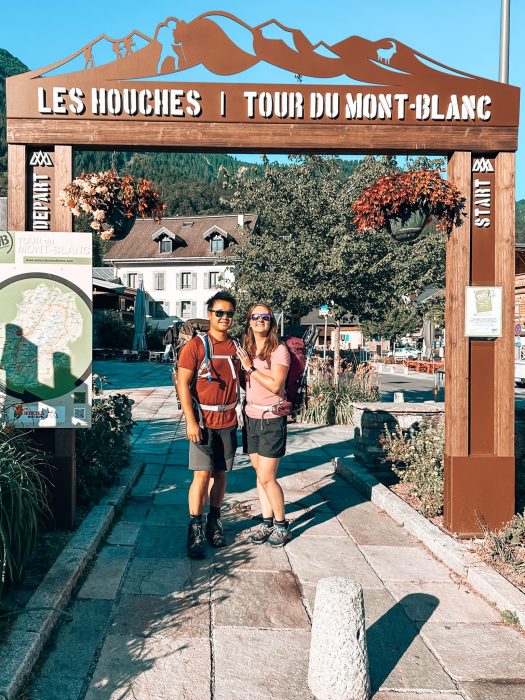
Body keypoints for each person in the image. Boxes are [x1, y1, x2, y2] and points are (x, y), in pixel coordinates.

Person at [176, 291, 240, 558]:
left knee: (221, 474)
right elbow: (182, 383)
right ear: (210, 314)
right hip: (203, 421)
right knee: (201, 475)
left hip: (228, 420)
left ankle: (214, 521)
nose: (224, 318)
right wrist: (190, 421)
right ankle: (195, 527)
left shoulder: (238, 347)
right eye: (219, 313)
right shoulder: (196, 346)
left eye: (229, 314)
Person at [236, 303, 291, 547]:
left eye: (265, 317)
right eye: (255, 317)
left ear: (271, 322)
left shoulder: (279, 350)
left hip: (271, 419)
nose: (260, 320)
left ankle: (281, 524)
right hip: (251, 418)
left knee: (268, 477)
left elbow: (276, 385)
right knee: (259, 476)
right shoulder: (246, 348)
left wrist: (249, 367)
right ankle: (266, 522)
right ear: (249, 321)